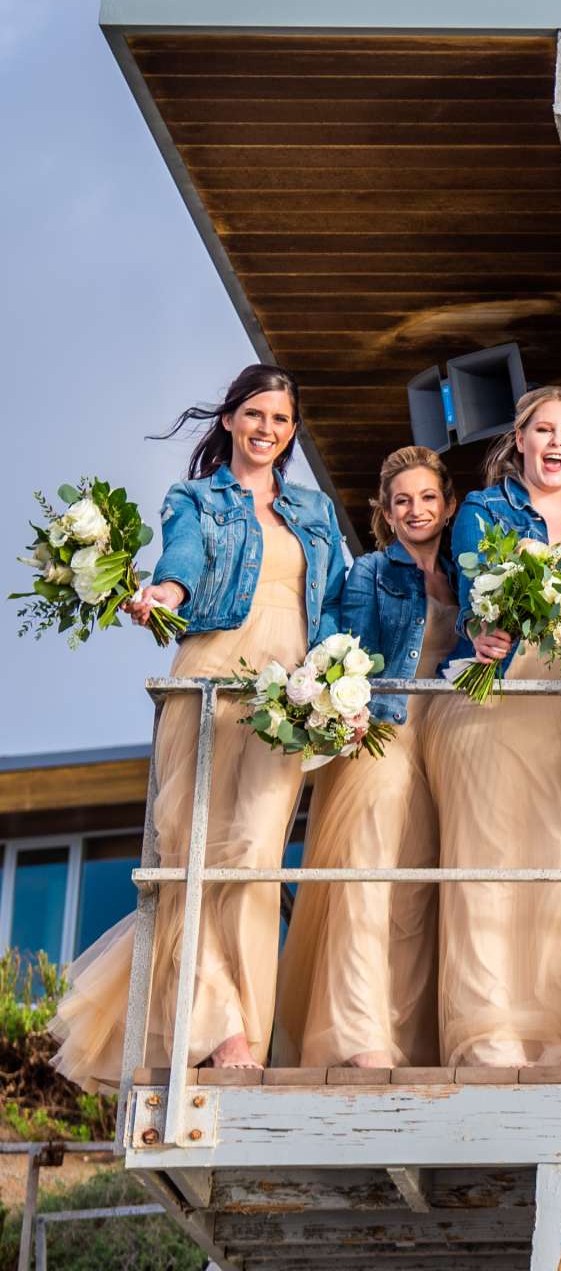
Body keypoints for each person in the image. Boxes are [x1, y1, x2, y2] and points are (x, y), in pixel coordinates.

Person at [52, 366, 348, 1087]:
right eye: (254, 415)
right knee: (190, 846)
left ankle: (242, 1015)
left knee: (252, 855)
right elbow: (181, 559)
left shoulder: (314, 511)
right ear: (229, 420)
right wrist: (166, 591)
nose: (266, 430)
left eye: (280, 420)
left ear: (291, 431)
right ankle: (221, 1029)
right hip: (210, 672)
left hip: (291, 687)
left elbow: (334, 600)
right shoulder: (195, 497)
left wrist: (340, 681)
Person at [420, 385, 561, 1067]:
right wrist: (485, 634)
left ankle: (549, 1037)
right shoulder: (485, 510)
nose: (556, 444)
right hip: (495, 697)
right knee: (487, 864)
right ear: (520, 440)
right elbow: (476, 584)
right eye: (544, 430)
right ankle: (486, 1034)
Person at [278, 445, 455, 1069]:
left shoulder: (466, 574)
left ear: (448, 503)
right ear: (384, 511)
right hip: (382, 738)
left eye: (428, 498)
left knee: (416, 897)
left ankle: (404, 1040)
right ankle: (357, 1036)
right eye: (402, 500)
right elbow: (340, 647)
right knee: (365, 881)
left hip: (446, 748)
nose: (416, 510)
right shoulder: (371, 573)